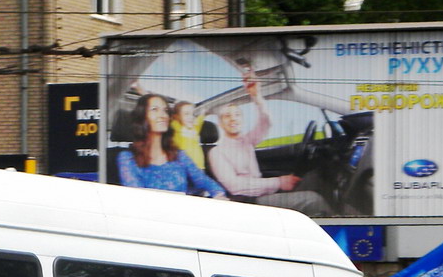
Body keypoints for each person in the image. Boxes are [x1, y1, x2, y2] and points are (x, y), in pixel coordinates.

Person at [206, 70, 331, 216]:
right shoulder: (216, 152)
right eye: (227, 116)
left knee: (315, 177)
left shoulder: (246, 141)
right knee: (313, 200)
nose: (233, 119)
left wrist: (256, 96)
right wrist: (279, 182)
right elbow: (235, 187)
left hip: (261, 193)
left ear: (242, 119)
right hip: (247, 203)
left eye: (237, 115)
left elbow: (267, 123)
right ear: (220, 123)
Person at [117, 93, 228, 198]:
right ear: (142, 117)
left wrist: (219, 195)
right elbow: (137, 200)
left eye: (165, 111)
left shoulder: (179, 155)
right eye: (154, 110)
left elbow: (203, 180)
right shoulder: (127, 158)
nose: (163, 115)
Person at [170, 101, 206, 169]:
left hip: (199, 168)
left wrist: (203, 112)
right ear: (176, 116)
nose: (191, 117)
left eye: (193, 114)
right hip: (183, 168)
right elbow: (170, 118)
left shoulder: (194, 129)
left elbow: (199, 121)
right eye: (186, 114)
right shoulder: (176, 127)